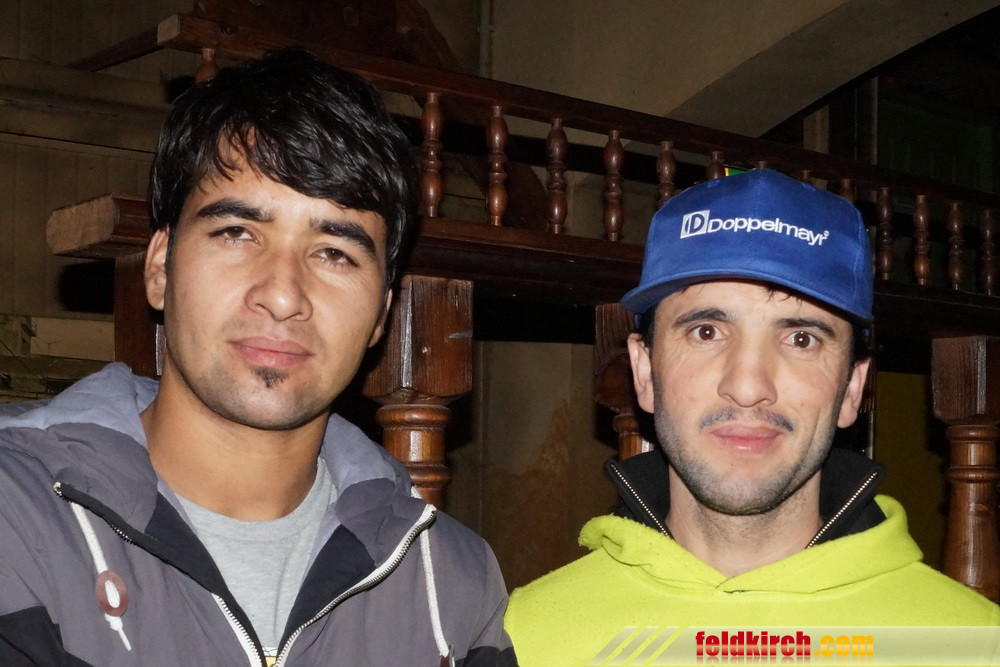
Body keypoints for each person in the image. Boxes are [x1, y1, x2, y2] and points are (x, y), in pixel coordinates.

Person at [0, 50, 515, 666]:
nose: (282, 294)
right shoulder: (16, 516)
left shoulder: (451, 583)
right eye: (237, 233)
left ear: (381, 313)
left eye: (334, 253)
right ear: (160, 267)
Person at [505, 169, 1000, 664]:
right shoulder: (525, 638)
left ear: (852, 388)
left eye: (801, 339)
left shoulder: (969, 647)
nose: (747, 387)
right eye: (705, 332)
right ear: (645, 372)